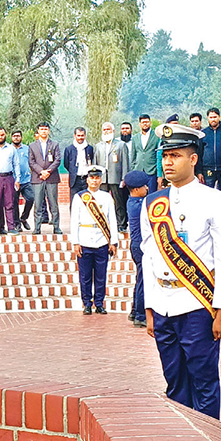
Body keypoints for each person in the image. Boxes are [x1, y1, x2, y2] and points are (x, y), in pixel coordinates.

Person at [139, 122, 221, 420]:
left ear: (193, 159)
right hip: (164, 306)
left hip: (197, 304)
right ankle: (181, 437)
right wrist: (150, 306)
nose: (168, 162)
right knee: (174, 381)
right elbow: (148, 257)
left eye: (176, 155)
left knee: (204, 382)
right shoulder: (152, 203)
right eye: (165, 156)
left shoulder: (215, 199)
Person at [70, 165, 118, 315]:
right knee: (84, 276)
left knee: (100, 275)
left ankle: (99, 303)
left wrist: (113, 241)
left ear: (100, 180)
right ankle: (86, 303)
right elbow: (74, 221)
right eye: (92, 178)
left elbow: (112, 220)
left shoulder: (107, 197)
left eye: (97, 178)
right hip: (84, 240)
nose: (94, 181)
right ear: (87, 179)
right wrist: (75, 242)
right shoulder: (79, 197)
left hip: (101, 240)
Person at [123, 170, 150, 328]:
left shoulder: (133, 201)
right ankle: (140, 314)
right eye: (144, 186)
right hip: (141, 245)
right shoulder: (139, 204)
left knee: (140, 279)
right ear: (136, 189)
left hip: (136, 244)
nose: (147, 188)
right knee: (143, 280)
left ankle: (135, 310)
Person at [96, 121, 130, 230]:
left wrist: (124, 178)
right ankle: (104, 223)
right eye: (104, 130)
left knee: (118, 202)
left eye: (108, 129)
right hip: (103, 179)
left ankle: (121, 225)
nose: (106, 131)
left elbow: (125, 162)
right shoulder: (98, 146)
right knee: (102, 202)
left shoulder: (120, 145)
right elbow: (95, 163)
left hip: (116, 178)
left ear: (113, 131)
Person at [29, 122, 62, 234]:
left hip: (51, 177)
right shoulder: (32, 146)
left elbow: (57, 160)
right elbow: (31, 161)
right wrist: (41, 171)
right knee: (38, 204)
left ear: (48, 131)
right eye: (41, 129)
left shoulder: (55, 144)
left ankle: (56, 227)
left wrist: (48, 171)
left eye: (45, 129)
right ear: (38, 131)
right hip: (38, 178)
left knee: (53, 203)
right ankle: (37, 228)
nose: (43, 131)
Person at [11, 130, 34, 231]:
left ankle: (23, 218)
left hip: (26, 180)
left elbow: (31, 162)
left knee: (31, 198)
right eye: (14, 136)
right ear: (11, 138)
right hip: (13, 180)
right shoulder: (9, 149)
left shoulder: (26, 149)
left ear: (21, 137)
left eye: (18, 136)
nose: (16, 138)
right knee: (14, 203)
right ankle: (17, 224)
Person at [63, 127, 95, 197]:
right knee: (74, 202)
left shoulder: (90, 148)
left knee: (88, 201)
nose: (80, 137)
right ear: (74, 136)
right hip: (75, 180)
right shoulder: (69, 149)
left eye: (82, 135)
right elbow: (66, 164)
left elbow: (92, 161)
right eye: (78, 135)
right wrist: (73, 171)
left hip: (87, 179)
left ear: (85, 136)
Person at [200, 108, 221, 189]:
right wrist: (199, 171)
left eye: (215, 117)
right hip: (207, 169)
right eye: (211, 117)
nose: (213, 119)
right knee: (208, 194)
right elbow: (199, 153)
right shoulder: (202, 133)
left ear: (219, 117)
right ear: (207, 118)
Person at [131, 114, 160, 188]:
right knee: (139, 194)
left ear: (150, 123)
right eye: (143, 122)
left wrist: (159, 173)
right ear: (140, 124)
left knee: (151, 194)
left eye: (147, 122)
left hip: (151, 170)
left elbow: (159, 155)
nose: (145, 124)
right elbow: (133, 155)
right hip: (139, 170)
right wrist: (134, 169)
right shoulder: (135, 138)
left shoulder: (156, 136)